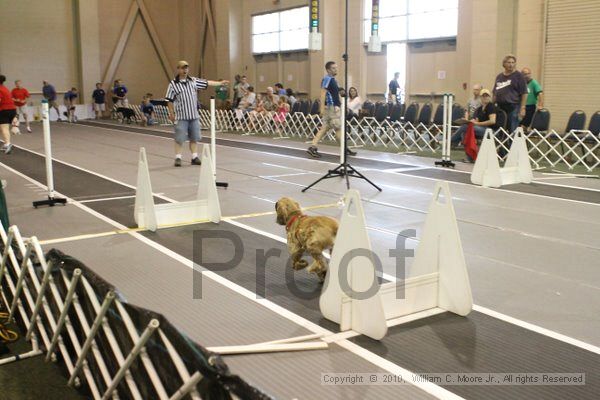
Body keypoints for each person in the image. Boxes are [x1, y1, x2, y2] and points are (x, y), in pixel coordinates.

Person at [165, 60, 228, 167]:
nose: (185, 70)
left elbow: (207, 82)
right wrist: (171, 113)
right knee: (179, 138)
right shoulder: (173, 84)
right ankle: (178, 158)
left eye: (186, 68)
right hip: (181, 116)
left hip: (194, 116)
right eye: (182, 68)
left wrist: (220, 83)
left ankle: (194, 157)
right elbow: (169, 100)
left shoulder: (193, 81)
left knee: (194, 137)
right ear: (178, 69)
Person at [307, 61, 356, 158]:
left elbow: (337, 93)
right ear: (328, 70)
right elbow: (323, 93)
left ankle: (313, 147)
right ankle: (344, 148)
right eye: (333, 68)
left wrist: (342, 95)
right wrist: (321, 108)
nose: (336, 69)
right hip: (332, 108)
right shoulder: (327, 79)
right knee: (338, 129)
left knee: (324, 128)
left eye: (336, 67)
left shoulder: (333, 80)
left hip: (333, 108)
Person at [451, 89, 497, 161]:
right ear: (480, 98)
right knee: (465, 133)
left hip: (490, 130)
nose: (485, 97)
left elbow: (492, 121)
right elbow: (475, 120)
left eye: (487, 96)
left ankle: (452, 141)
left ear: (490, 97)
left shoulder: (491, 107)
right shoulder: (479, 109)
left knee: (465, 127)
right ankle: (470, 157)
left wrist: (477, 123)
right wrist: (470, 121)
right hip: (481, 129)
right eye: (483, 96)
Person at [493, 54, 527, 134]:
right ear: (504, 64)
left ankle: (513, 145)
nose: (511, 64)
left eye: (513, 62)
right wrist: (492, 105)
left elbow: (524, 93)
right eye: (509, 62)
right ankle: (503, 145)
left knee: (512, 129)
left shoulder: (519, 76)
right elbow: (495, 92)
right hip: (500, 107)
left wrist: (523, 108)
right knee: (501, 129)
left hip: (513, 107)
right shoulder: (499, 77)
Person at [0, 75, 16, 154]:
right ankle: (6, 143)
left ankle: (7, 144)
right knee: (3, 128)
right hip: (12, 109)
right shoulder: (4, 88)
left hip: (4, 110)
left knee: (4, 128)